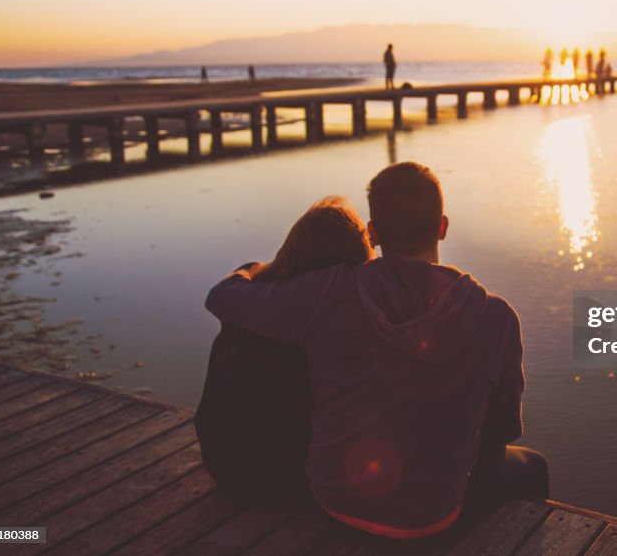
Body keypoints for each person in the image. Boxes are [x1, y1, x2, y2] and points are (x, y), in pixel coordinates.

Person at [205, 162, 548, 539]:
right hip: (433, 521)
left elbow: (222, 297)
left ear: (373, 234)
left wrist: (251, 269)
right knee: (532, 466)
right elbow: (503, 430)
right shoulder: (496, 316)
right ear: (443, 226)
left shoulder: (330, 291)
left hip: (335, 507)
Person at [195, 197, 374, 505]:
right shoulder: (351, 300)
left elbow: (219, 295)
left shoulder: (258, 300)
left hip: (227, 468)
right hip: (297, 479)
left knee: (237, 328)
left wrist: (251, 269)